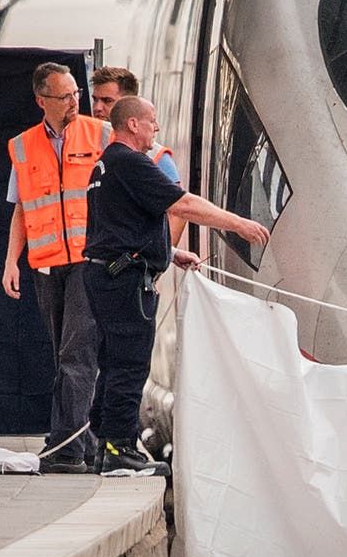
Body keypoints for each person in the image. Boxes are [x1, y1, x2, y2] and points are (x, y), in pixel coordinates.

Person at [83, 96, 270, 475]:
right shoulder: (132, 163)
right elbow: (182, 204)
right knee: (129, 364)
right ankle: (119, 451)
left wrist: (168, 253)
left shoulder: (106, 166)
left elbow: (120, 225)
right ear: (133, 124)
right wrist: (238, 224)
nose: (156, 128)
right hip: (124, 280)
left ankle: (102, 446)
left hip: (107, 273)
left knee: (112, 360)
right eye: (152, 121)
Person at [2, 62, 109, 473]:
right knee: (63, 356)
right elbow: (22, 210)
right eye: (64, 96)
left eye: (75, 94)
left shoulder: (98, 134)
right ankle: (85, 446)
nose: (73, 102)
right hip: (46, 266)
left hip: (88, 259)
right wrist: (11, 261)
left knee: (76, 354)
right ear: (41, 101)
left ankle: (64, 450)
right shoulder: (24, 146)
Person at [90, 65, 184, 245]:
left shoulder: (155, 155)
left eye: (107, 101)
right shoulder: (83, 146)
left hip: (128, 265)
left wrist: (157, 259)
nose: (97, 108)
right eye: (95, 100)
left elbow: (178, 211)